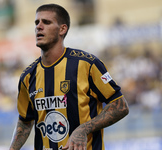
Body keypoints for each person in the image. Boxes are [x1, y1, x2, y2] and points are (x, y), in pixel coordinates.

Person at [9, 3, 129, 150]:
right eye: (37, 22)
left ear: (62, 29)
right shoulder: (28, 76)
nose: (38, 27)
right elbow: (25, 121)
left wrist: (83, 129)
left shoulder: (87, 64)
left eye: (46, 22)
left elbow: (120, 106)